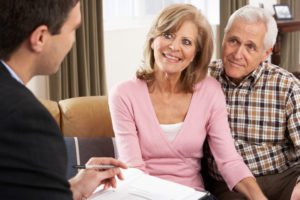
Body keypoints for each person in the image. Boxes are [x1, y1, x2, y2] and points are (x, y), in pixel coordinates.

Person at [109, 3, 267, 199]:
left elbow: (228, 161)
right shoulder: (123, 94)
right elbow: (134, 169)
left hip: (193, 195)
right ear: (152, 40)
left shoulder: (210, 91)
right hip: (140, 194)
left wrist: (259, 197)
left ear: (195, 54)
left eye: (186, 42)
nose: (174, 47)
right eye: (167, 35)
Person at [0, 0, 127, 199]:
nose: (74, 40)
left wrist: (71, 188)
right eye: (73, 29)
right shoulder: (25, 120)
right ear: (40, 37)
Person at [204, 5, 300, 200]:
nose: (238, 54)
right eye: (233, 41)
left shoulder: (286, 85)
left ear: (266, 53)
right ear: (223, 38)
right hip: (228, 185)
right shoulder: (204, 78)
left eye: (250, 46)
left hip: (282, 178)